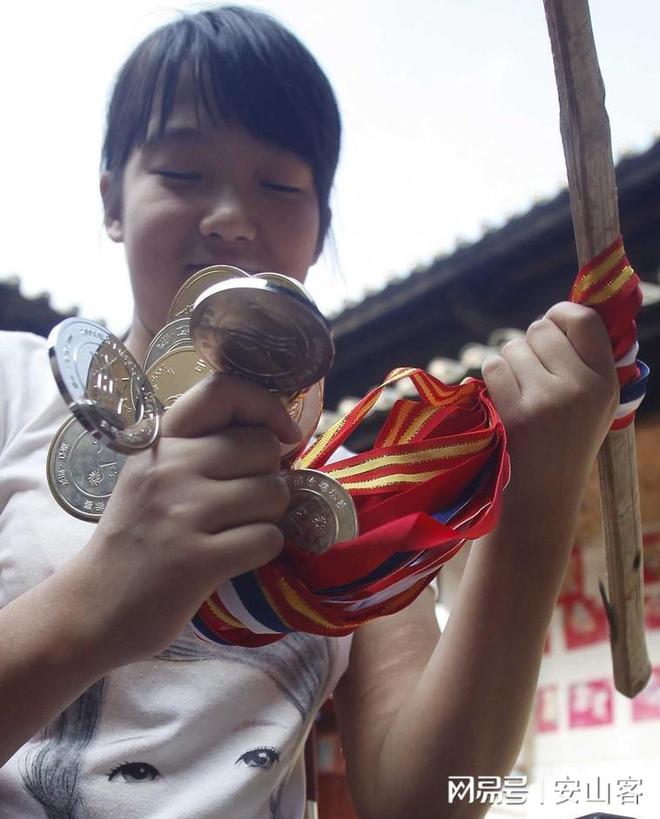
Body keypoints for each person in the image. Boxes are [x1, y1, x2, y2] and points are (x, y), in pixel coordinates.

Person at [0, 5, 619, 818]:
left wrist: (533, 505)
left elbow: (425, 805)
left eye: (280, 184)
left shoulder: (360, 469)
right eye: (182, 174)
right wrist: (99, 599)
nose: (230, 215)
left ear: (319, 225)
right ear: (112, 200)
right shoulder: (15, 386)